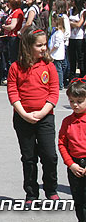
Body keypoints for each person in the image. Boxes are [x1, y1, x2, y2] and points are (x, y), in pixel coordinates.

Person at [7, 26, 59, 207]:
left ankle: (51, 189)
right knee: (29, 158)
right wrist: (24, 114)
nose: (43, 48)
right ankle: (31, 192)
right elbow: (13, 92)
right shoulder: (15, 67)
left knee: (49, 156)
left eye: (45, 44)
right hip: (23, 119)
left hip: (45, 118)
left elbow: (53, 93)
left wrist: (42, 112)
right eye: (39, 45)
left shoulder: (49, 66)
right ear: (28, 46)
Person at [58, 79, 86, 222]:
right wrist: (71, 164)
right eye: (72, 101)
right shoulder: (67, 122)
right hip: (74, 166)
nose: (75, 105)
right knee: (79, 201)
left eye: (79, 101)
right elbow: (62, 144)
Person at [2, 0, 24, 67]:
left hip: (14, 37)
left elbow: (12, 26)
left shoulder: (17, 12)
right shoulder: (12, 11)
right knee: (9, 56)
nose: (7, 4)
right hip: (9, 36)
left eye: (8, 3)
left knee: (13, 57)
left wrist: (4, 27)